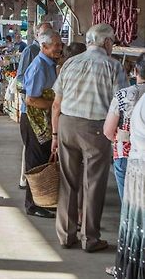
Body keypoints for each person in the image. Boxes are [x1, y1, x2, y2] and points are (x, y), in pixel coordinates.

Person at [52, 23, 128, 252]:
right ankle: (90, 239)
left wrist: (55, 133)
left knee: (68, 181)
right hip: (96, 129)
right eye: (112, 42)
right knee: (93, 184)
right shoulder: (113, 66)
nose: (112, 46)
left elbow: (57, 102)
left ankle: (66, 235)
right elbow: (120, 105)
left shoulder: (71, 63)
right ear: (106, 43)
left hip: (67, 124)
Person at [22, 28, 62, 218]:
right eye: (56, 45)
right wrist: (56, 105)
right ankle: (32, 204)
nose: (59, 48)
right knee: (35, 162)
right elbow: (31, 100)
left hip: (43, 121)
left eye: (60, 45)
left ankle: (43, 200)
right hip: (34, 121)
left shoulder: (49, 64)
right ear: (44, 46)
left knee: (43, 161)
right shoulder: (39, 66)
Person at [104, 54, 145, 201]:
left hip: (126, 153)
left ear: (135, 71)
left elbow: (108, 131)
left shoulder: (123, 95)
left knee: (129, 204)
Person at [113, 93, 145, 278]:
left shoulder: (131, 96)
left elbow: (110, 131)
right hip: (140, 168)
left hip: (135, 166)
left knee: (136, 227)